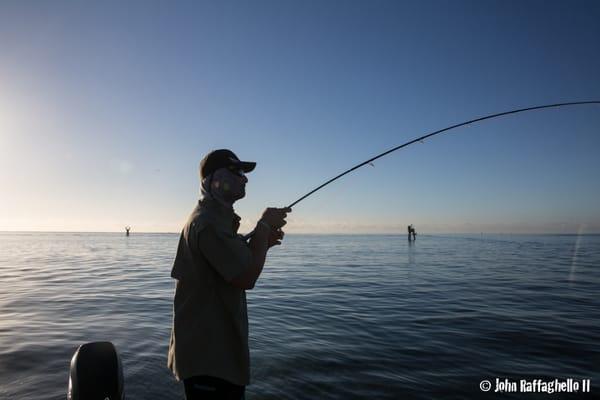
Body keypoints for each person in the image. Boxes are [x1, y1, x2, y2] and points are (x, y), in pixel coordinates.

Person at [167, 149, 290, 400]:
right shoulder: (209, 223)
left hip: (211, 357)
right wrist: (264, 226)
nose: (245, 179)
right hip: (210, 360)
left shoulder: (214, 221)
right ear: (213, 179)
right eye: (238, 172)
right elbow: (246, 277)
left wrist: (261, 243)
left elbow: (233, 265)